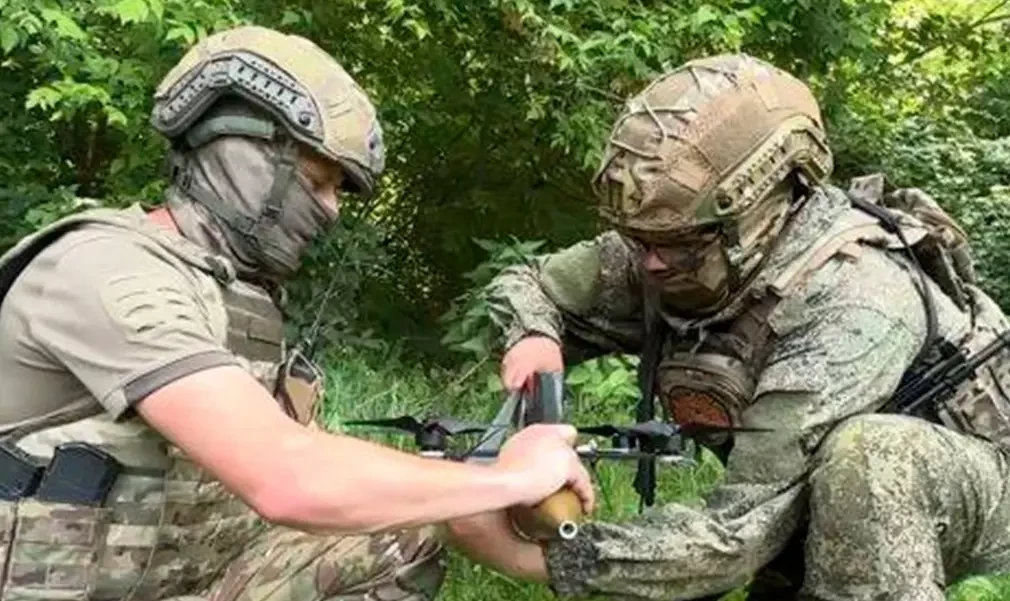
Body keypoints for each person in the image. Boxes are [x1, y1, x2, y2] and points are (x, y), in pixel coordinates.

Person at [0, 25, 593, 601]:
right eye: (318, 181)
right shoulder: (110, 269)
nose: (331, 210)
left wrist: (485, 508)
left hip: (183, 579)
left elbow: (320, 464)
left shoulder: (235, 294)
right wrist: (509, 479)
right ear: (242, 156)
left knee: (396, 540)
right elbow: (288, 477)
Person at [446, 53, 1010, 601]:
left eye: (676, 245)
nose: (649, 263)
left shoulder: (858, 299)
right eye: (639, 240)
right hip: (812, 494)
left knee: (873, 455)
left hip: (974, 486)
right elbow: (532, 284)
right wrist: (535, 335)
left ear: (757, 212)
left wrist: (549, 559)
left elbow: (739, 526)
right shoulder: (677, 246)